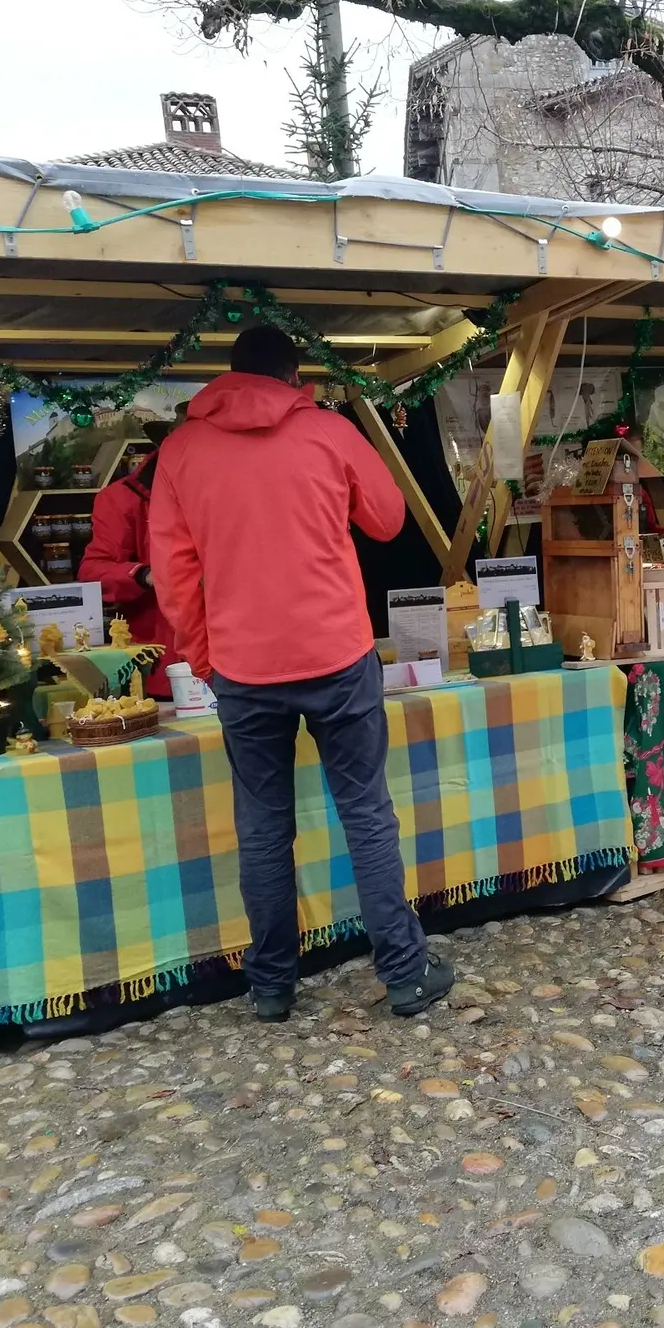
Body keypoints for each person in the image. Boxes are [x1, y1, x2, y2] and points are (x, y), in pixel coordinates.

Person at [151, 326, 453, 1023]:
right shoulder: (325, 430)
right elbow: (386, 520)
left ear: (229, 376)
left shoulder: (181, 450)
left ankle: (271, 987)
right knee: (366, 815)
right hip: (337, 655)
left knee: (261, 826)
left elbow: (173, 574)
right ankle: (405, 976)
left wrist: (206, 657)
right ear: (293, 377)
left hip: (243, 666)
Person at [78, 450, 180, 696]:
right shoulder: (121, 498)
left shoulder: (231, 486)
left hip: (240, 656)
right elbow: (92, 571)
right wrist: (143, 574)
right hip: (163, 661)